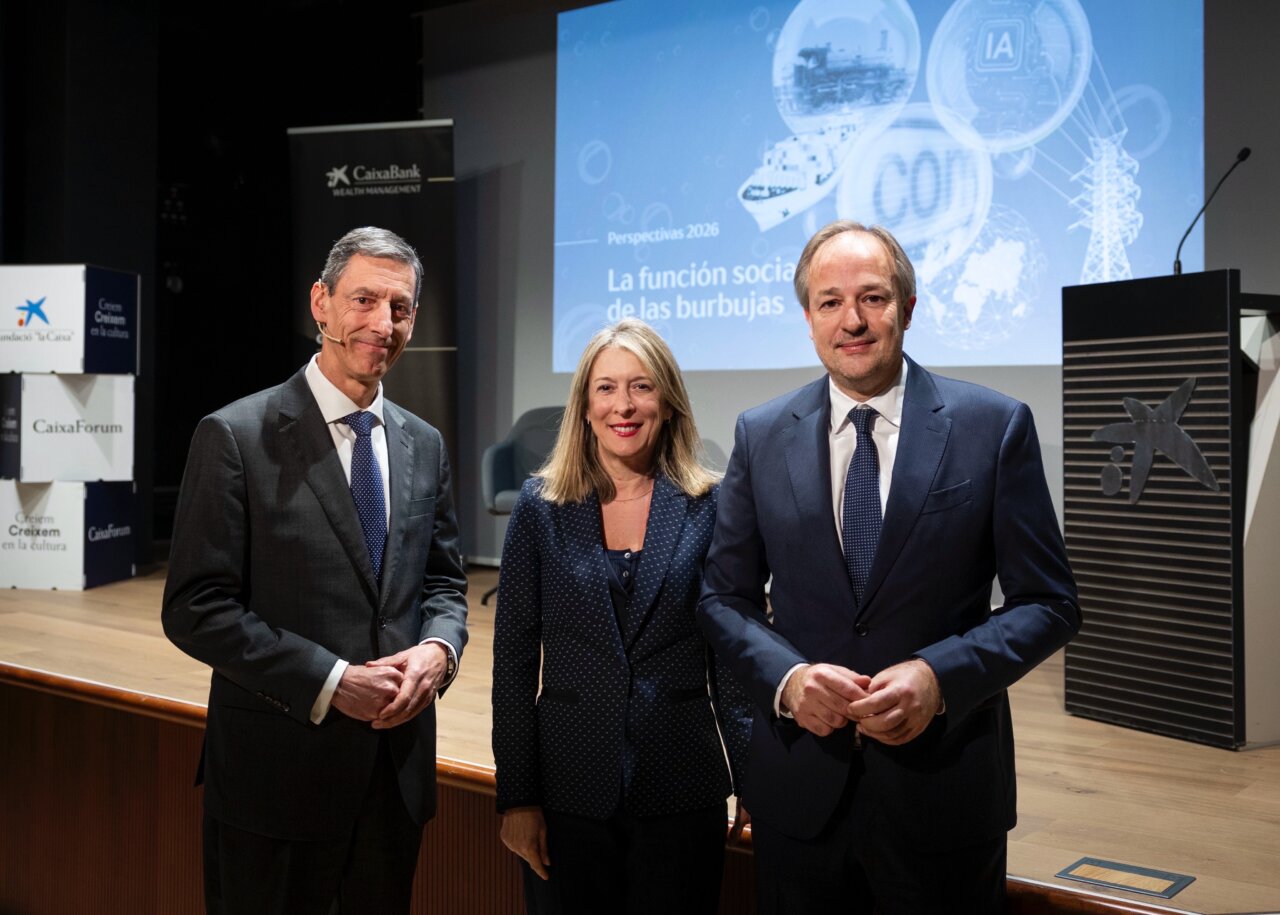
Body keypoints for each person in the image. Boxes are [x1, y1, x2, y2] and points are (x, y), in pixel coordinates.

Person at [697, 221, 1080, 914]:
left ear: (908, 305)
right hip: (801, 790)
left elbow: (1049, 603)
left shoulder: (993, 426)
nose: (853, 320)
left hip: (944, 788)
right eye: (830, 301)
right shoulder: (760, 434)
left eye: (873, 297)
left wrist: (940, 677)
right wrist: (787, 679)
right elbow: (723, 597)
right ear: (808, 319)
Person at [162, 226, 469, 915]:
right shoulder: (236, 436)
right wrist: (333, 681)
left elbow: (444, 583)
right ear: (320, 303)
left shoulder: (425, 442)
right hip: (277, 781)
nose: (382, 323)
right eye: (364, 300)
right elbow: (195, 606)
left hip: (395, 781)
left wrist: (439, 651)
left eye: (400, 307)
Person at [492, 318, 751, 915]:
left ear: (668, 401)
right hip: (566, 788)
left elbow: (731, 660)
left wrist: (752, 777)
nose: (623, 406)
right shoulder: (541, 506)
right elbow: (512, 662)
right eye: (606, 388)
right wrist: (518, 798)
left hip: (683, 785)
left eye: (641, 386)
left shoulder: (709, 505)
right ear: (584, 405)